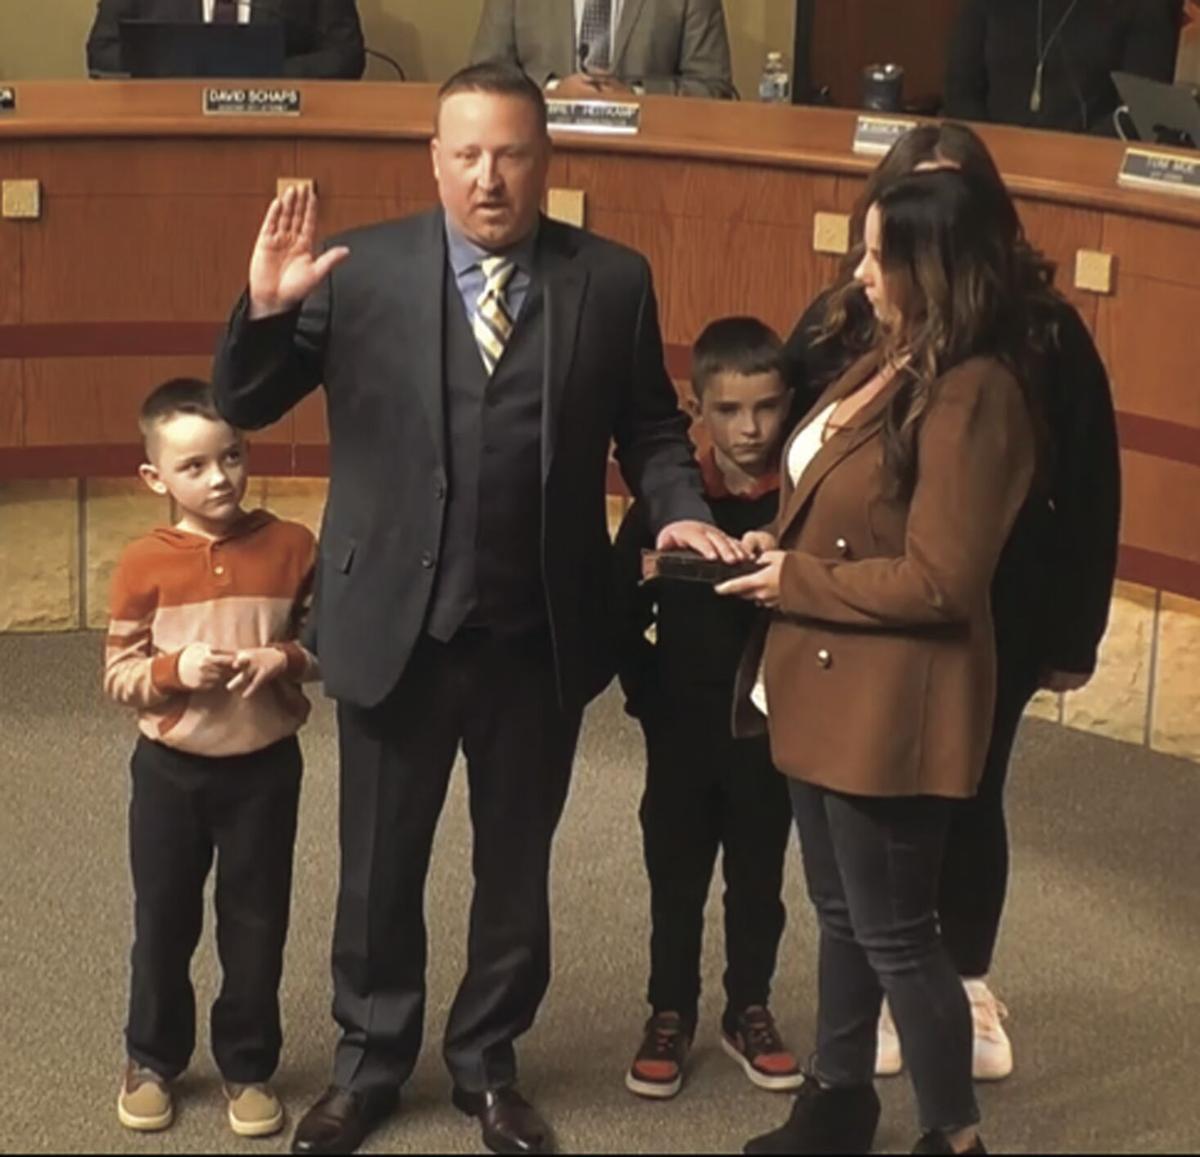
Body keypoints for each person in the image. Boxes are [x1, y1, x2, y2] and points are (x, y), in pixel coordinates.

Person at [212, 62, 741, 1157]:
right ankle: (367, 1063)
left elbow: (648, 427)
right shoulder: (357, 270)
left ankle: (488, 1063)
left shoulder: (614, 279)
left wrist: (680, 506)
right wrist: (266, 305)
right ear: (434, 157)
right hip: (392, 628)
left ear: (546, 160)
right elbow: (247, 400)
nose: (488, 177)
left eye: (511, 153)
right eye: (467, 153)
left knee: (515, 869)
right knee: (377, 868)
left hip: (536, 632)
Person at [783, 121, 1121, 1085]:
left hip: (989, 609)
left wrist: (1076, 632)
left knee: (965, 801)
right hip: (857, 619)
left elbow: (1091, 485)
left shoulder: (1035, 338)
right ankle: (867, 1045)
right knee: (858, 868)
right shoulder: (851, 310)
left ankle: (961, 986)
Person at [719, 169, 1038, 1156]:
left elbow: (942, 581)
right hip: (828, 687)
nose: (858, 276)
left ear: (935, 267)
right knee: (843, 914)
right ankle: (838, 1097)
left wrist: (796, 580)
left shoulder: (977, 391)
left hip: (893, 707)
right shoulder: (895, 358)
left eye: (876, 257)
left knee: (900, 933)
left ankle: (954, 1136)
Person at [104, 378, 318, 1140]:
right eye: (194, 466)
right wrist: (172, 672)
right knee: (164, 918)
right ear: (156, 479)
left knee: (256, 923)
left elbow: (325, 645)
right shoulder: (141, 562)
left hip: (265, 769)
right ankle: (153, 1057)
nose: (220, 477)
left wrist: (284, 656)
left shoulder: (293, 544)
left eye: (232, 455)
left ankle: (249, 1063)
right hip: (170, 774)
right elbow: (117, 673)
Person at [613, 317, 803, 1103]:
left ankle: (747, 1006)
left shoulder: (800, 507)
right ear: (699, 410)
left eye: (766, 408)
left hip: (772, 734)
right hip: (681, 731)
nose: (751, 429)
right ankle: (671, 1008)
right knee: (676, 873)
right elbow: (620, 606)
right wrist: (646, 694)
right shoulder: (670, 504)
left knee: (759, 876)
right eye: (729, 410)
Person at [944, 0, 1181, 134]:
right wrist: (985, 154)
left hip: (1090, 171)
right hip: (988, 169)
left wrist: (1071, 158)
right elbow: (960, 91)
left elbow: (1138, 110)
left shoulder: (1145, 7)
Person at [469, 0, 735, 100]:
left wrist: (634, 96)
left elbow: (712, 88)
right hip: (535, 150)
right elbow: (482, 77)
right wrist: (551, 92)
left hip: (651, 162)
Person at [86, 0, 366, 79]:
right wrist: (179, 66)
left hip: (281, 134)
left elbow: (347, 55)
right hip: (166, 132)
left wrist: (269, 72)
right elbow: (102, 51)